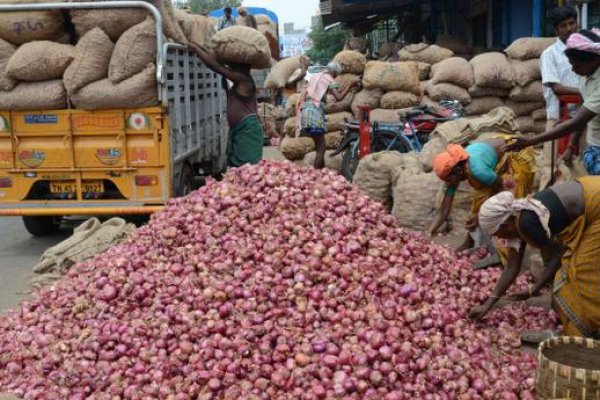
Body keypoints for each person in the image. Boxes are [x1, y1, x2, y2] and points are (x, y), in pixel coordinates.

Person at [470, 177, 600, 339]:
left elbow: (557, 255)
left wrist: (535, 288)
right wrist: (488, 304)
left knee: (578, 275)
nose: (498, 238)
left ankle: (583, 330)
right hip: (592, 191)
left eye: (497, 233)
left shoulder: (526, 222)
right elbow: (511, 266)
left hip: (596, 204)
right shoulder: (518, 216)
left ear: (505, 224)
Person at [505, 28, 600, 176]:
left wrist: (530, 141)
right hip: (594, 147)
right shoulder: (585, 77)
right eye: (571, 65)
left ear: (595, 59)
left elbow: (577, 121)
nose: (574, 70)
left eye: (578, 66)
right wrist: (570, 146)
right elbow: (582, 116)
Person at [429, 137, 536, 263]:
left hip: (517, 156)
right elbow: (444, 209)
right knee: (478, 203)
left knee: (506, 208)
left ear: (457, 171)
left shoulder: (478, 170)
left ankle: (509, 254)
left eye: (448, 179)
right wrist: (429, 232)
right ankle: (470, 242)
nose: (448, 183)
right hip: (495, 166)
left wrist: (479, 215)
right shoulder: (458, 165)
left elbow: (503, 192)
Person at [189, 43, 264, 167]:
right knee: (237, 169)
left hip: (247, 131)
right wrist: (199, 46)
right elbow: (218, 63)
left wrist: (197, 50)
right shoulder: (239, 80)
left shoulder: (244, 80)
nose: (230, 67)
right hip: (238, 130)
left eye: (234, 65)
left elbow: (217, 68)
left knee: (247, 169)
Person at [538, 6, 581, 187]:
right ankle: (543, 204)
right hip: (558, 117)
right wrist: (586, 93)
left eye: (572, 23)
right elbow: (556, 87)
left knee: (578, 165)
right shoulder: (550, 54)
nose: (569, 28)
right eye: (564, 25)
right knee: (551, 167)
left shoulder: (585, 50)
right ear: (556, 30)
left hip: (582, 116)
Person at [298, 62, 360, 169]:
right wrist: (350, 86)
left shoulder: (317, 76)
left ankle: (320, 173)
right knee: (321, 148)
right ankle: (317, 174)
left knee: (319, 147)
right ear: (334, 72)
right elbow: (339, 97)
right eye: (336, 75)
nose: (335, 77)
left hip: (306, 112)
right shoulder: (328, 78)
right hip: (314, 113)